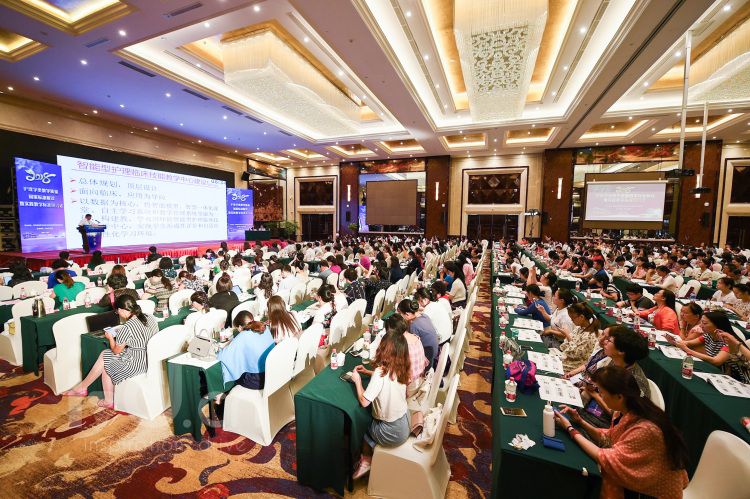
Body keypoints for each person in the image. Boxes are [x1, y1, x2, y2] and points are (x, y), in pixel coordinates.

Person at [554, 366, 689, 499]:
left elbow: (605, 458)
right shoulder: (628, 411)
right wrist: (579, 421)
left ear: (619, 397)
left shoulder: (645, 429)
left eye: (601, 392)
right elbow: (607, 437)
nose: (599, 395)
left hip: (652, 493)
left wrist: (570, 429)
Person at [63, 295, 159, 408]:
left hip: (136, 364)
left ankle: (98, 396)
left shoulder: (127, 327)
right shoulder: (150, 317)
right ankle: (86, 389)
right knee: (105, 356)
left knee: (106, 360)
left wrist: (110, 338)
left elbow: (116, 351)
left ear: (121, 310)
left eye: (117, 311)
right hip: (150, 359)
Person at [350, 322, 411, 480]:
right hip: (405, 422)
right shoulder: (402, 367)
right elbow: (388, 379)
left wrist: (357, 380)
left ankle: (366, 460)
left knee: (361, 423)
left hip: (391, 433)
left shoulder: (379, 373)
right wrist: (368, 372)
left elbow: (364, 401)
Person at [578, 325, 650, 428]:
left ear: (621, 351)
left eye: (609, 341)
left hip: (605, 425)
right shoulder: (613, 362)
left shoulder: (634, 381)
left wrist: (594, 394)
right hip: (588, 411)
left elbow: (623, 417)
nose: (605, 342)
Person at [668, 310, 750, 383]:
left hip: (736, 378)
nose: (701, 326)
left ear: (717, 325)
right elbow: (688, 343)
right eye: (701, 322)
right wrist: (675, 341)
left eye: (705, 323)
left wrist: (687, 350)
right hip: (716, 372)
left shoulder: (728, 341)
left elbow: (716, 361)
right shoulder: (708, 335)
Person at [217, 310, 274, 388]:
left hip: (256, 380)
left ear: (240, 327)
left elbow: (223, 356)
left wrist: (219, 349)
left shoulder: (243, 335)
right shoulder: (265, 328)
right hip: (271, 373)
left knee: (236, 374)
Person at [397, 298, 439, 369]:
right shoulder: (424, 316)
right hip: (434, 352)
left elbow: (410, 346)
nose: (400, 316)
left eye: (400, 314)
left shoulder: (414, 325)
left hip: (427, 360)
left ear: (407, 314)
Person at [558, 303, 600, 372]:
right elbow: (564, 346)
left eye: (573, 318)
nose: (571, 320)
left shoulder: (589, 335)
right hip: (567, 359)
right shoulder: (579, 328)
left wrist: (567, 335)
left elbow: (575, 354)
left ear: (581, 317)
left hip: (574, 366)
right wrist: (569, 339)